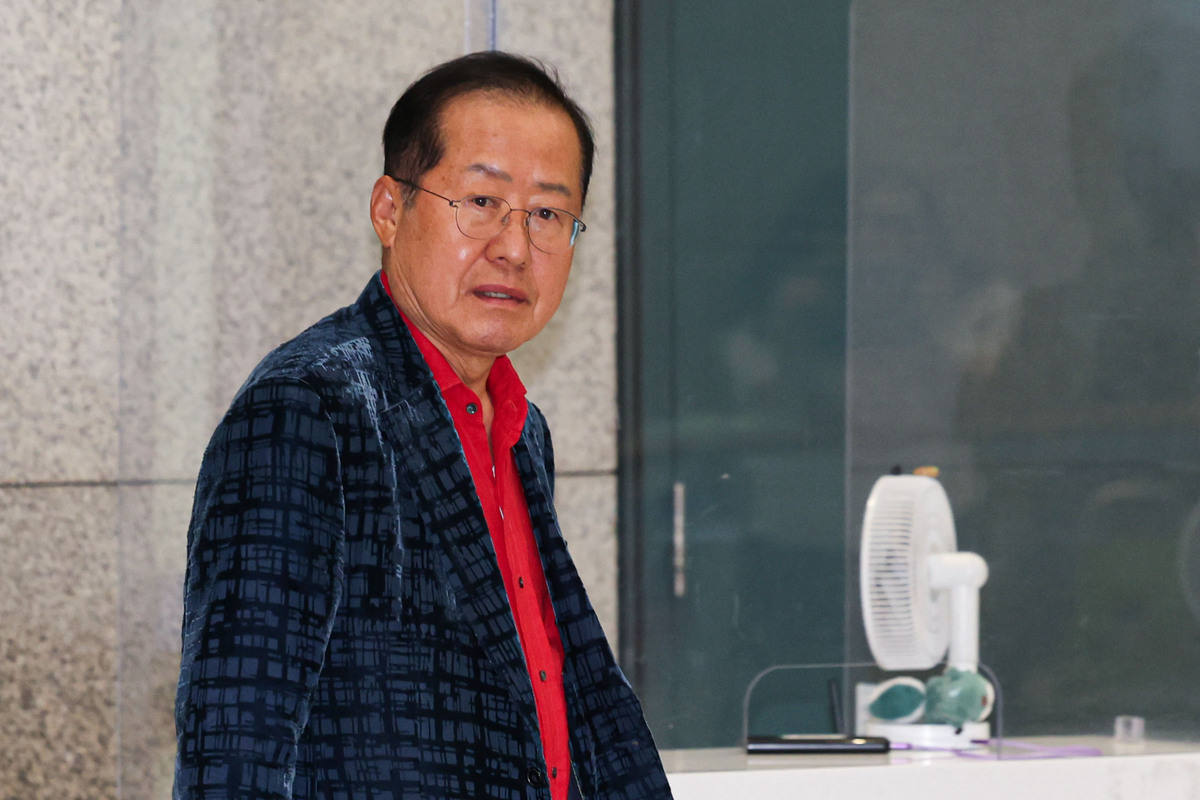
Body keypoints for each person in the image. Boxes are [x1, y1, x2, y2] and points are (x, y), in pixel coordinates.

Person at [173, 51, 672, 800]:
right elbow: (235, 743)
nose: (514, 246)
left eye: (546, 214)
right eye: (481, 201)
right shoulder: (308, 409)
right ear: (389, 209)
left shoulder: (520, 428)